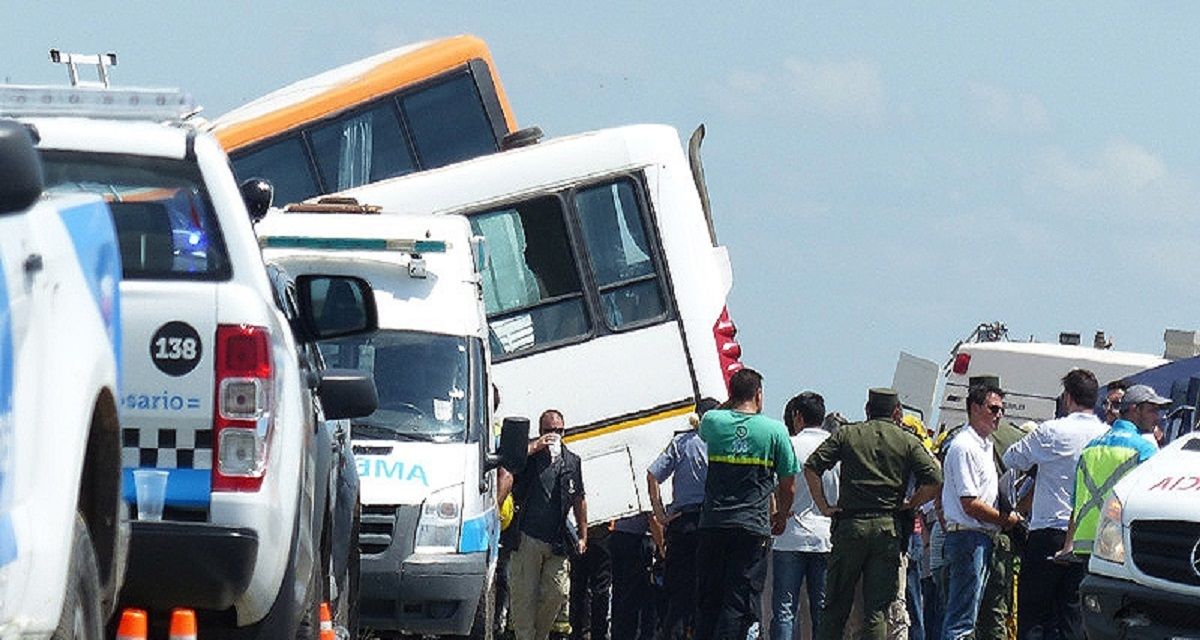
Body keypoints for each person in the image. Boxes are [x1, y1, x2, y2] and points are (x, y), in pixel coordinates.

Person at [804, 388, 942, 640]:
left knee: (835, 606)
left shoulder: (848, 434)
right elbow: (935, 478)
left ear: (867, 410)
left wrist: (823, 505)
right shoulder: (906, 440)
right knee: (877, 610)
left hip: (850, 528)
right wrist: (911, 503)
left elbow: (812, 466)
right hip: (887, 530)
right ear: (897, 411)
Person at [1002, 369, 1107, 640]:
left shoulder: (1052, 431)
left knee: (1035, 616)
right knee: (1072, 616)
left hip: (1048, 531)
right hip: (1087, 537)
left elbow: (1012, 458)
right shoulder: (1106, 436)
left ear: (1068, 397)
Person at [694, 369, 799, 640]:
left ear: (731, 394)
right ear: (759, 395)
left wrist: (731, 401)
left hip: (713, 524)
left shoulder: (714, 421)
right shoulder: (775, 431)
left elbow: (710, 417)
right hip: (752, 528)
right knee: (739, 599)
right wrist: (781, 516)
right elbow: (788, 485)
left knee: (709, 598)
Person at [939, 379, 1022, 640]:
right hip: (968, 537)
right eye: (993, 409)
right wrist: (1005, 519)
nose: (999, 416)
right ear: (974, 408)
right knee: (962, 620)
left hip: (981, 537)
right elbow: (970, 503)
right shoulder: (964, 446)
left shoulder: (984, 445)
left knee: (975, 617)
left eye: (1001, 410)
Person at [509, 410, 589, 640]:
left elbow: (579, 498)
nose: (554, 435)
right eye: (549, 431)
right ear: (540, 431)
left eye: (558, 431)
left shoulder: (572, 461)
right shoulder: (530, 457)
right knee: (524, 597)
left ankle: (539, 635)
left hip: (557, 539)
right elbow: (510, 463)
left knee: (556, 592)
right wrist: (535, 446)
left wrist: (583, 535)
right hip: (527, 537)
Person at [1062, 384, 1164, 558]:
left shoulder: (1090, 448)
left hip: (1083, 546)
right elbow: (1152, 505)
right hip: (1118, 550)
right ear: (1134, 409)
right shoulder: (1145, 449)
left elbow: (1076, 502)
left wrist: (1067, 546)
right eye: (1152, 410)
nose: (1157, 418)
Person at [647, 397, 717, 640]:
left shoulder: (682, 442)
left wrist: (659, 513)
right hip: (712, 526)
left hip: (683, 524)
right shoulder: (721, 444)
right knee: (708, 595)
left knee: (678, 596)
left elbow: (653, 474)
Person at [771, 391, 837, 640]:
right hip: (825, 535)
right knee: (822, 608)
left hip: (789, 534)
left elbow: (774, 488)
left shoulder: (787, 445)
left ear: (797, 416)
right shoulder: (835, 447)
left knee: (785, 609)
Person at [609, 513, 661, 640]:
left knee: (620, 593)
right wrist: (662, 545)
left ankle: (619, 634)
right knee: (634, 597)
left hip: (618, 535)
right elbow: (651, 515)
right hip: (636, 539)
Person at [569, 522, 611, 640]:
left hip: (591, 534)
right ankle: (588, 632)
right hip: (596, 535)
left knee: (581, 588)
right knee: (583, 588)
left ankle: (584, 632)